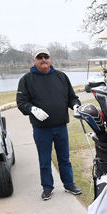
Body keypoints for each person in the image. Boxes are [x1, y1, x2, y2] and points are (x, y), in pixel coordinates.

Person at [16, 47, 82, 200]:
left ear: (50, 59)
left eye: (46, 57)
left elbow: (72, 97)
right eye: (40, 57)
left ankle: (69, 184)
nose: (43, 60)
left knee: (64, 158)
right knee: (45, 160)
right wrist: (31, 109)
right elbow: (21, 102)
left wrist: (76, 105)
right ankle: (47, 188)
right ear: (34, 60)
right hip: (41, 129)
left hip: (61, 127)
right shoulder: (26, 79)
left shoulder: (61, 77)